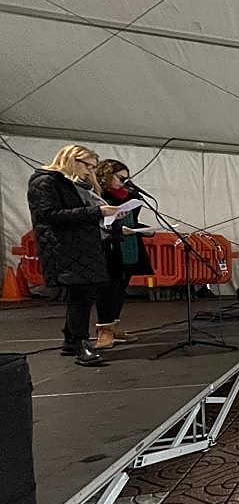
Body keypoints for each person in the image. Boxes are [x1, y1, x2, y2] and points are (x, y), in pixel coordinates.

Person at [27, 145, 120, 366]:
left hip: (79, 247)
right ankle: (79, 344)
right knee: (80, 296)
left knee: (84, 294)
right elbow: (50, 215)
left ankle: (71, 341)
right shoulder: (44, 182)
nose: (90, 171)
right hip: (63, 248)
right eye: (88, 166)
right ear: (72, 160)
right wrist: (96, 212)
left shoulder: (67, 183)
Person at [93, 159, 153, 349]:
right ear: (106, 175)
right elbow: (99, 224)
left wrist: (146, 229)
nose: (124, 182)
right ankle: (104, 331)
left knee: (120, 289)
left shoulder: (131, 196)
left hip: (130, 245)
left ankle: (115, 326)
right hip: (109, 247)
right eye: (121, 178)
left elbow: (132, 221)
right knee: (108, 290)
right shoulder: (98, 196)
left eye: (127, 178)